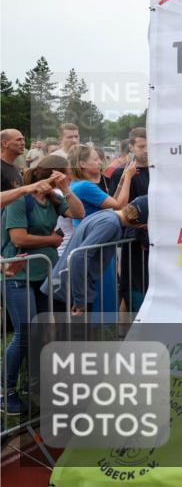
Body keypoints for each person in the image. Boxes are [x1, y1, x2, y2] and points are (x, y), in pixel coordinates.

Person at [2, 157, 84, 414]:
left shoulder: (53, 198)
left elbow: (79, 213)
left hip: (44, 273)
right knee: (25, 332)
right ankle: (6, 391)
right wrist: (51, 239)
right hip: (18, 275)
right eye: (66, 175)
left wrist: (66, 190)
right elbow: (19, 237)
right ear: (53, 174)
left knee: (40, 332)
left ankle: (30, 384)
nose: (69, 177)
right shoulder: (20, 200)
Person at [43, 196, 148, 316]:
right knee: (73, 334)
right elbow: (79, 257)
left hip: (64, 285)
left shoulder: (107, 214)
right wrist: (80, 300)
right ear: (142, 226)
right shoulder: (111, 224)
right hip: (68, 291)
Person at [110, 127, 150, 312]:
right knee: (134, 286)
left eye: (149, 145)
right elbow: (118, 206)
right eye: (141, 146)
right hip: (133, 239)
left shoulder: (158, 170)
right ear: (132, 147)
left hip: (156, 237)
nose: (146, 150)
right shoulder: (122, 173)